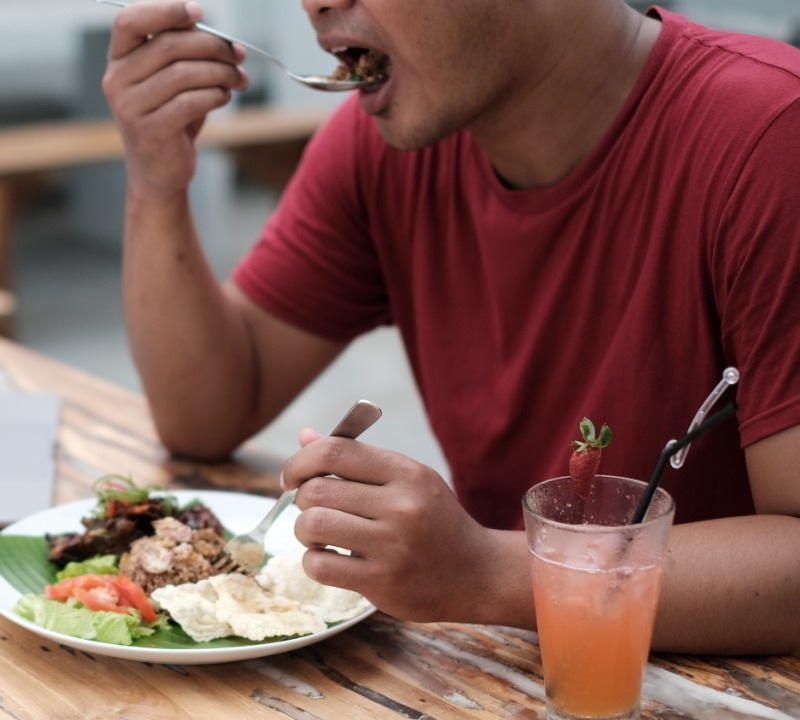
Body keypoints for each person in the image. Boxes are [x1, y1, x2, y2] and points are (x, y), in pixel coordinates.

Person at [101, 0, 800, 656]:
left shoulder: (771, 138)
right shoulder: (385, 148)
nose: (313, 3)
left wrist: (489, 572)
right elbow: (208, 411)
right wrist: (156, 181)